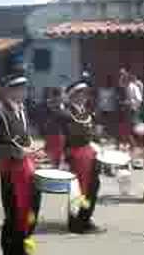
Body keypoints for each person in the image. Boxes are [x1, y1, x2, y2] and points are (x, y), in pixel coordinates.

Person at [0, 73, 42, 255]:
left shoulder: (22, 110)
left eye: (25, 89)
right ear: (9, 92)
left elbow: (24, 139)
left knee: (29, 211)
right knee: (13, 215)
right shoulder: (1, 114)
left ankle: (22, 247)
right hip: (12, 173)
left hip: (26, 169)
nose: (24, 93)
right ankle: (11, 251)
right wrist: (19, 152)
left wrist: (33, 149)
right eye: (20, 90)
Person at [59, 80, 105, 234]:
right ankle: (75, 222)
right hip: (76, 154)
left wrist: (97, 139)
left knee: (92, 187)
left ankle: (85, 218)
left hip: (90, 154)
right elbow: (72, 135)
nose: (84, 96)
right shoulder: (67, 113)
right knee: (78, 190)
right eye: (80, 93)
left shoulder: (86, 112)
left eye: (85, 93)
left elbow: (92, 132)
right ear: (73, 96)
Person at [40, 87, 66, 167]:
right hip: (53, 134)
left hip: (60, 135)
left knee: (58, 157)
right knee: (51, 157)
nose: (63, 97)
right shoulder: (49, 107)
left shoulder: (63, 106)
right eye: (62, 95)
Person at [96, 76, 119, 143]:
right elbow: (98, 99)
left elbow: (116, 100)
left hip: (111, 109)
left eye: (110, 82)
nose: (108, 83)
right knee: (101, 124)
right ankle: (100, 137)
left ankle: (110, 138)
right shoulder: (101, 90)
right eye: (107, 82)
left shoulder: (113, 90)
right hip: (102, 109)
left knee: (109, 124)